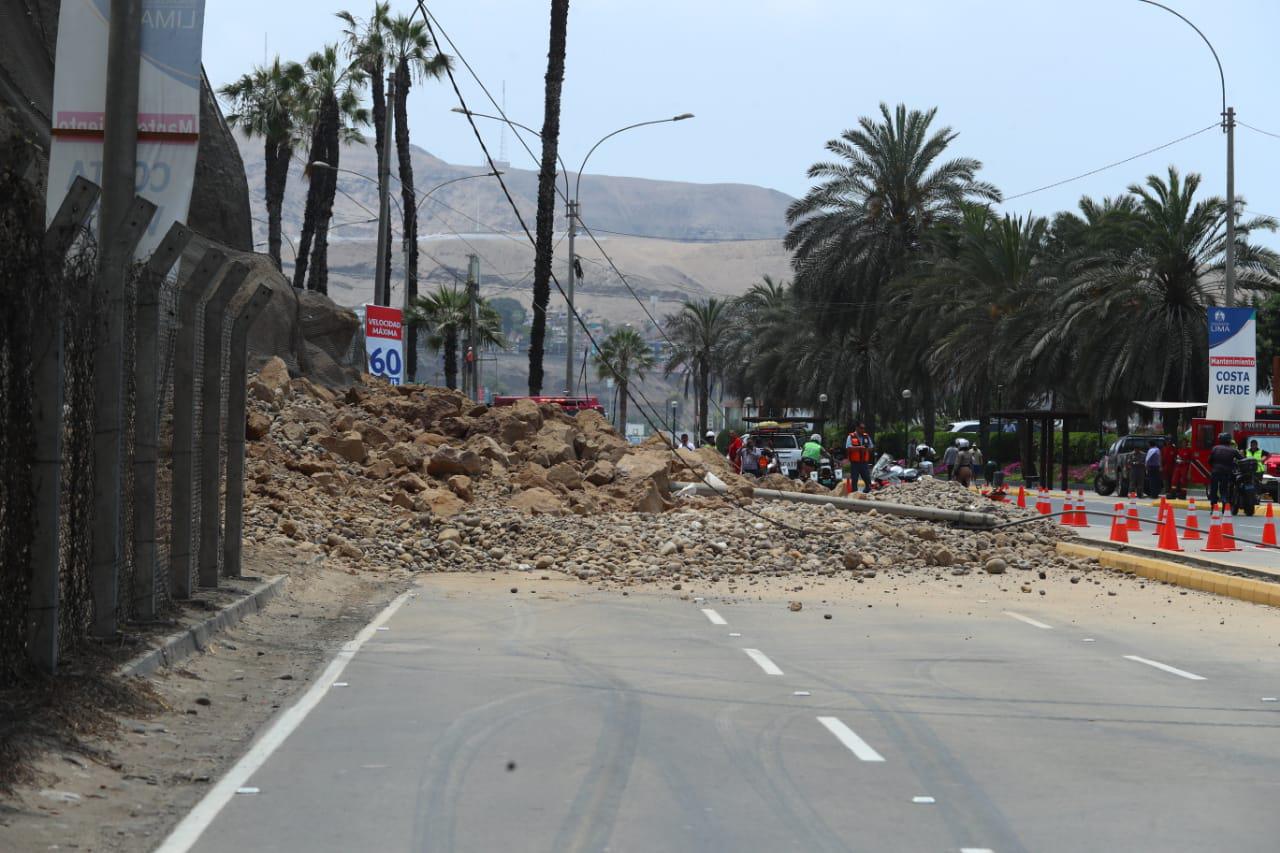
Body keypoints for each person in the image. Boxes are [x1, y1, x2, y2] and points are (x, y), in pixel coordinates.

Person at [1208, 432, 1242, 509]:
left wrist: (1214, 467)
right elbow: (1242, 459)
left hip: (1215, 472)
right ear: (1229, 441)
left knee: (1214, 489)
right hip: (1226, 473)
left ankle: (1213, 507)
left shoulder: (1215, 448)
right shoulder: (1233, 450)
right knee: (1224, 490)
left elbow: (1210, 460)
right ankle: (1225, 505)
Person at [846, 424, 874, 493]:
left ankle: (866, 493)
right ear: (857, 428)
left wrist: (867, 449)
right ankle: (854, 495)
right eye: (861, 428)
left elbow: (871, 447)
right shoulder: (851, 436)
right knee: (854, 480)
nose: (863, 430)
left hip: (864, 463)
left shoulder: (866, 436)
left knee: (867, 480)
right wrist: (859, 448)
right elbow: (848, 448)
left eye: (864, 428)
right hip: (855, 463)